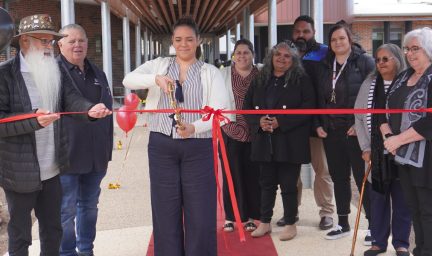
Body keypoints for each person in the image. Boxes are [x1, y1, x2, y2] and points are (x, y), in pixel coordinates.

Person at [0, 14, 111, 256]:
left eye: (52, 41)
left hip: (53, 169)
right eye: (45, 41)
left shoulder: (56, 71)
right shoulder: (5, 74)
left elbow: (72, 99)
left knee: (53, 231)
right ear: (26, 42)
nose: (50, 47)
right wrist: (33, 120)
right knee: (20, 234)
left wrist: (89, 110)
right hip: (19, 172)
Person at [122, 16, 227, 256]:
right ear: (172, 41)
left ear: (198, 41)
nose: (184, 44)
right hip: (161, 147)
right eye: (179, 39)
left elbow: (220, 113)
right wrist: (154, 80)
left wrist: (195, 127)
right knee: (165, 212)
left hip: (198, 148)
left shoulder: (210, 72)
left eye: (189, 39)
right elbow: (128, 79)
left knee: (200, 214)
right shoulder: (159, 65)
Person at [243, 40, 315, 241]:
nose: (281, 58)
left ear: (293, 60)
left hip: (290, 140)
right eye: (278, 54)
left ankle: (290, 224)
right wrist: (258, 122)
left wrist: (281, 122)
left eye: (287, 56)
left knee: (288, 185)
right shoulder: (259, 79)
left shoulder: (302, 80)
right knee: (266, 184)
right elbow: (246, 106)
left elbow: (309, 108)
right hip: (264, 140)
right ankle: (265, 223)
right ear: (271, 57)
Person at [314, 21, 375, 242]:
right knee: (339, 178)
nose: (337, 42)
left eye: (342, 38)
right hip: (331, 132)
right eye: (333, 39)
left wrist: (361, 125)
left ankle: (373, 226)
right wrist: (319, 124)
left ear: (350, 39)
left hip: (356, 132)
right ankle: (343, 224)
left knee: (362, 179)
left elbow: (374, 97)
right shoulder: (324, 65)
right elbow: (318, 99)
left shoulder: (365, 62)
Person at [57, 24, 114, 256]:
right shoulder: (54, 72)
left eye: (81, 40)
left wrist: (107, 147)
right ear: (59, 44)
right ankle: (67, 252)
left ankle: (86, 250)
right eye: (71, 41)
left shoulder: (98, 73)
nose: (77, 45)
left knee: (89, 206)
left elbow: (108, 109)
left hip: (95, 155)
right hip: (67, 155)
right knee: (65, 210)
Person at [276, 14, 335, 230]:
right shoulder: (287, 52)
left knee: (323, 170)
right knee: (292, 172)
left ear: (314, 33)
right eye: (297, 31)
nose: (301, 35)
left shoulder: (325, 52)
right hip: (291, 123)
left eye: (306, 31)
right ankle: (292, 212)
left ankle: (327, 212)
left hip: (316, 121)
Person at [355, 44, 411, 256]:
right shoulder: (369, 83)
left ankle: (401, 243)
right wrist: (366, 147)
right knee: (377, 198)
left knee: (402, 199)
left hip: (402, 150)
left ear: (397, 60)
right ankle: (378, 242)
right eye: (378, 59)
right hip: (375, 152)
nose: (381, 63)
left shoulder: (408, 82)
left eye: (385, 59)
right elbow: (359, 116)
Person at [381, 27, 432, 256]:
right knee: (413, 207)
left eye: (416, 49)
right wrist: (388, 137)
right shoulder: (403, 76)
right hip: (403, 155)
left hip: (427, 156)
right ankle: (420, 250)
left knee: (428, 210)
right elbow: (384, 110)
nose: (410, 54)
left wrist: (398, 139)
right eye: (407, 49)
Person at [219, 38, 261, 233]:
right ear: (233, 56)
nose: (242, 56)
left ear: (253, 55)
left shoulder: (261, 73)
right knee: (231, 175)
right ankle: (230, 217)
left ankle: (251, 216)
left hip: (255, 132)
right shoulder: (223, 73)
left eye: (246, 52)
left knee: (253, 176)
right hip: (230, 130)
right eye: (239, 53)